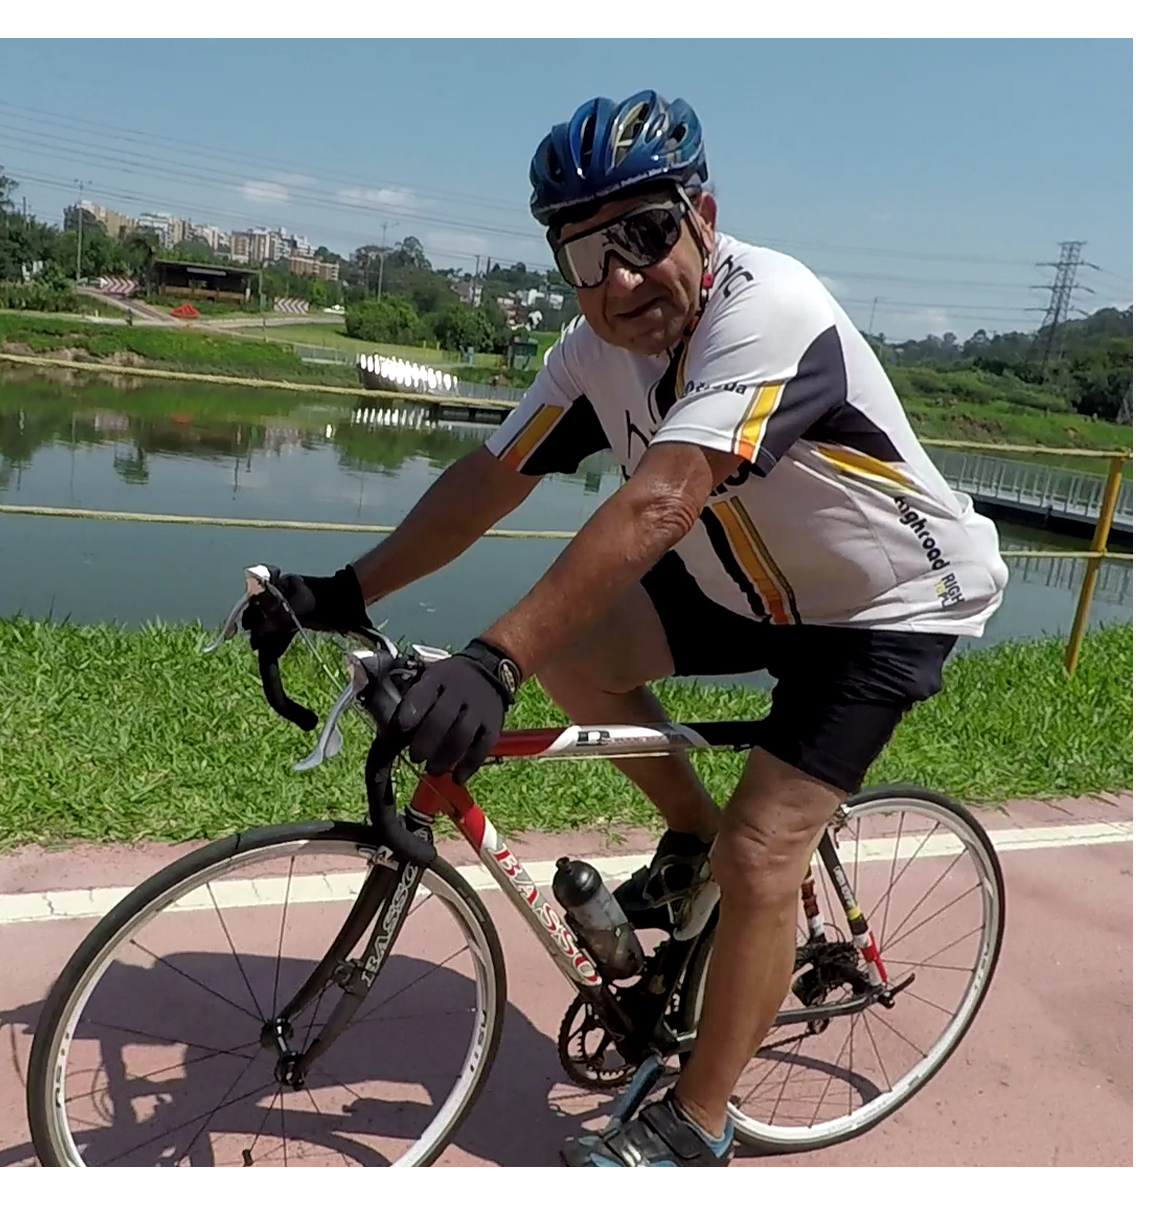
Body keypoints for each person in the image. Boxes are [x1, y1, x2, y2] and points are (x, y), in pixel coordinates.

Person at [242, 90, 1008, 1167]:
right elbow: (487, 479)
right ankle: (689, 838)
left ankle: (697, 1121)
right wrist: (344, 586)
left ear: (704, 216)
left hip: (884, 602)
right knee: (583, 656)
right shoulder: (589, 352)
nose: (618, 280)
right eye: (583, 255)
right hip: (748, 576)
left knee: (763, 851)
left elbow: (661, 499)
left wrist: (493, 659)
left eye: (643, 236)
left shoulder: (772, 307)